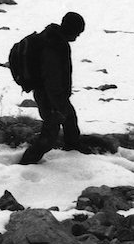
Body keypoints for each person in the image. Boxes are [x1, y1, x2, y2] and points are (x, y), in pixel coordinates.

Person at [19, 12, 86, 165]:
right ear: (70, 29)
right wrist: (59, 105)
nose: (77, 37)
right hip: (49, 97)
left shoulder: (56, 40)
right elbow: (52, 80)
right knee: (49, 135)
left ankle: (73, 151)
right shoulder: (53, 46)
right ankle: (25, 164)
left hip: (55, 95)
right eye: (77, 32)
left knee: (70, 120)